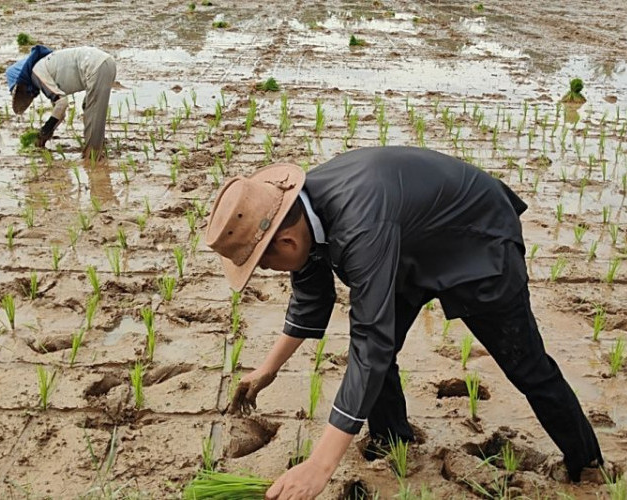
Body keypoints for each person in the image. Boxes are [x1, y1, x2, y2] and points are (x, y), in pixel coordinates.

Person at [205, 146, 604, 499]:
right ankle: (391, 439)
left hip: (477, 240)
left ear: (285, 243)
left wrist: (319, 467)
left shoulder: (359, 222)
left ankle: (587, 463)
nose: (270, 271)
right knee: (376, 355)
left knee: (527, 366)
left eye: (265, 264)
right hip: (410, 246)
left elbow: (370, 343)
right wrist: (267, 369)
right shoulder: (297, 216)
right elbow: (312, 297)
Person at [5, 45, 116, 161]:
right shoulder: (46, 65)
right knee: (88, 107)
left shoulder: (36, 72)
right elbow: (60, 112)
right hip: (105, 62)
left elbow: (62, 103)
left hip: (95, 66)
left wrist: (44, 131)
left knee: (93, 113)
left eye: (22, 90)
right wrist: (47, 133)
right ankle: (98, 150)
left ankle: (93, 159)